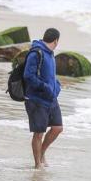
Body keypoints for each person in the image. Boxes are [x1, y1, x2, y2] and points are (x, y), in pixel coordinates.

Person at [23, 28, 63, 169]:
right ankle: (37, 164)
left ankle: (42, 153)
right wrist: (45, 87)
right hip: (37, 99)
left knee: (57, 128)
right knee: (38, 133)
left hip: (51, 98)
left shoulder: (51, 54)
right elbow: (28, 76)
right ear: (56, 40)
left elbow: (50, 76)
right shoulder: (37, 53)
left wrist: (57, 86)